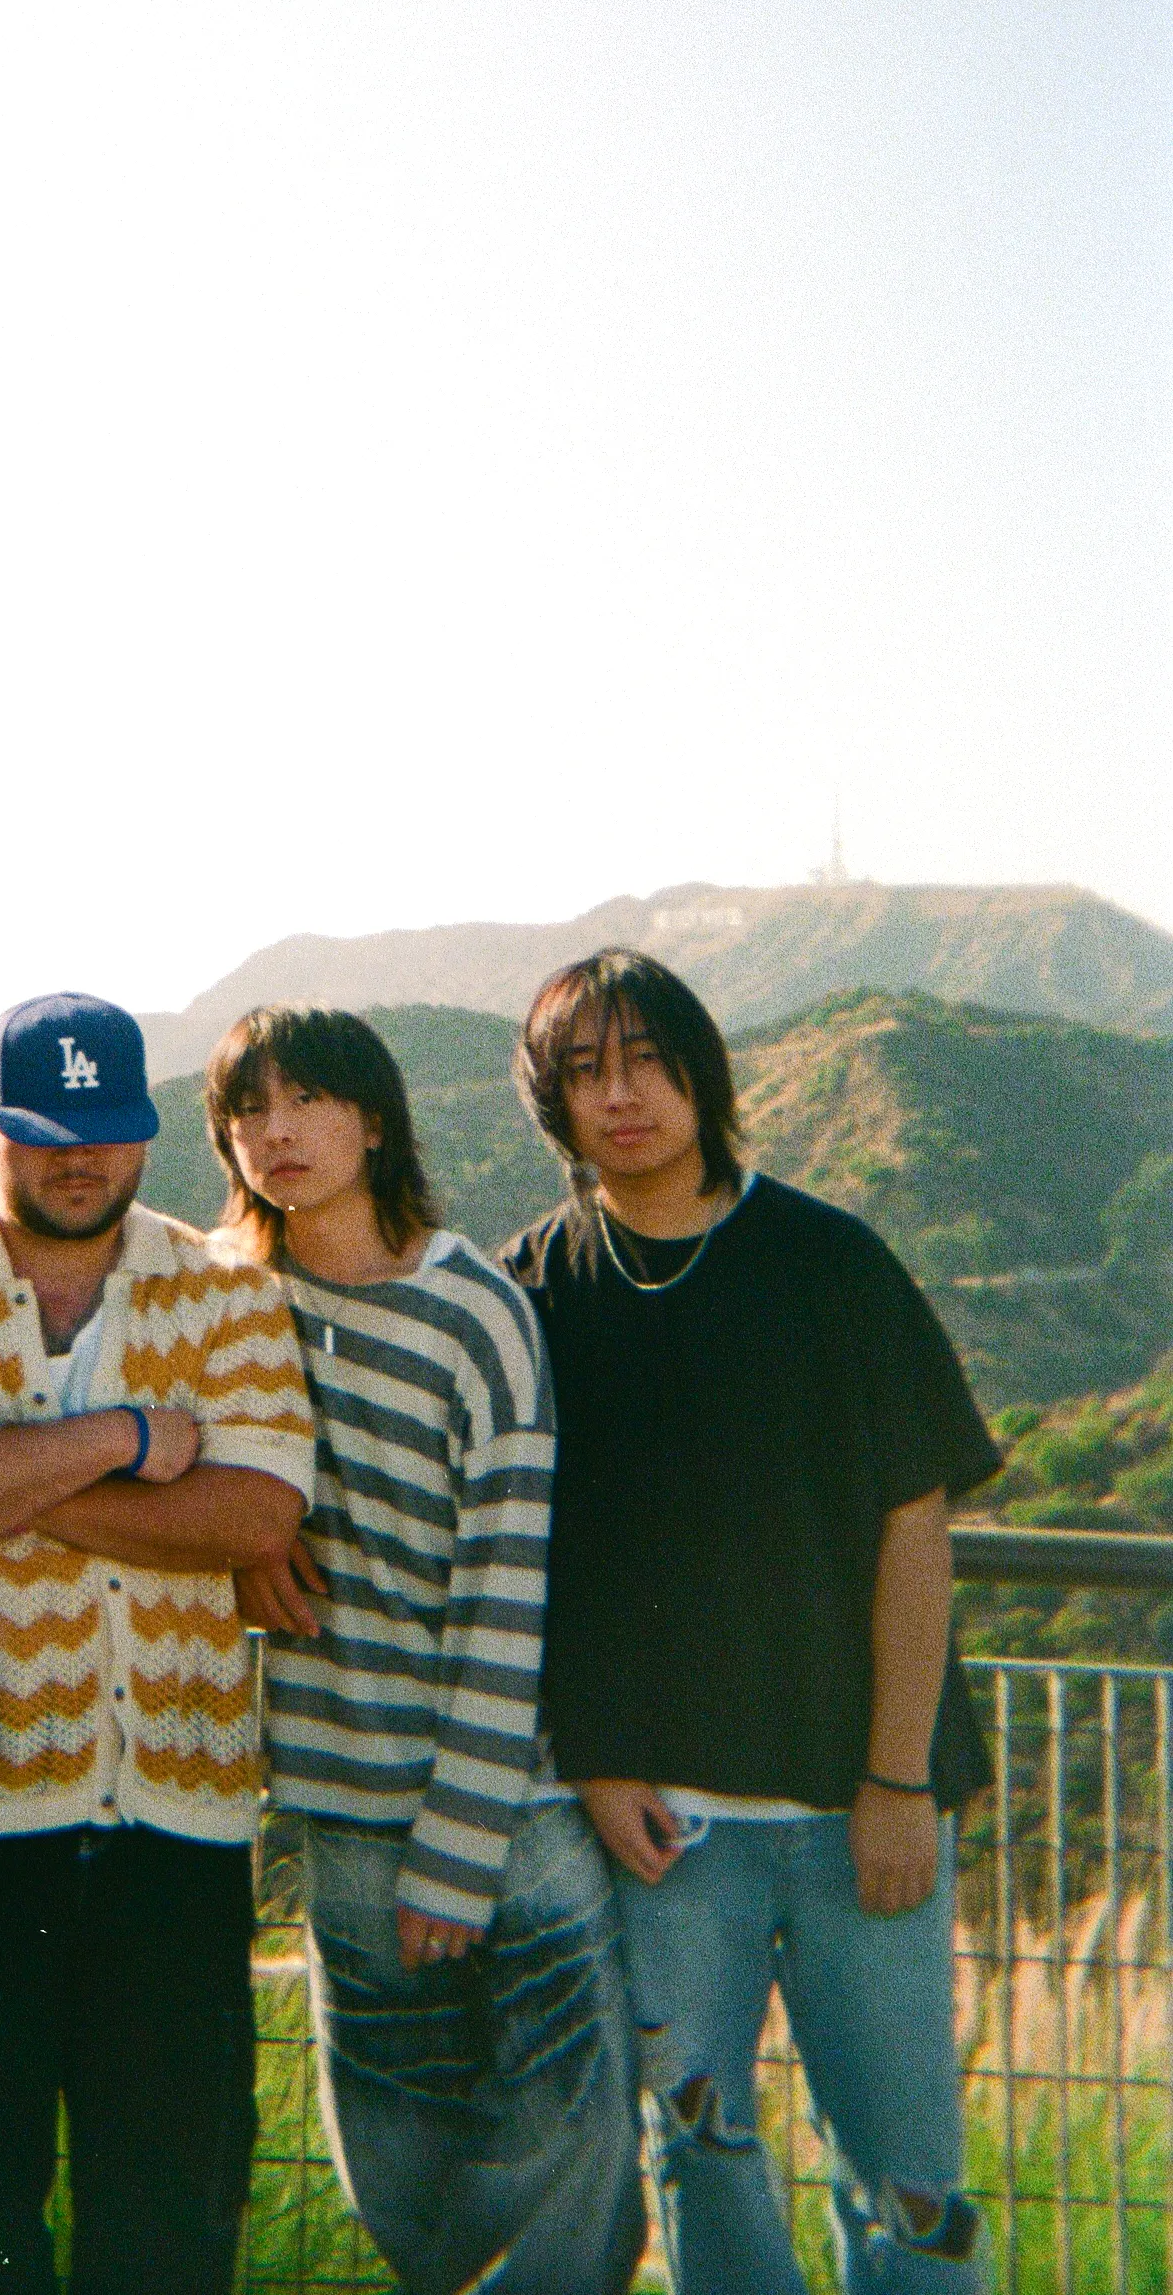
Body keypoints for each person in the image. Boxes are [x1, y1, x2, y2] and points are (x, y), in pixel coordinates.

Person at [504, 948, 1001, 2294]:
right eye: (586, 1068)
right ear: (551, 1100)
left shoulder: (826, 1262)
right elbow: (528, 1554)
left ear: (702, 1074)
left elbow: (915, 1525)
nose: (623, 1094)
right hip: (667, 1830)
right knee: (698, 2153)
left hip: (860, 1811)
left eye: (649, 1057)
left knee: (903, 2172)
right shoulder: (533, 1289)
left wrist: (896, 1777)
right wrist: (596, 1756)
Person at [0, 990, 317, 2295]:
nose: (76, 1158)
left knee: (164, 2234)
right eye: (43, 1132)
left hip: (177, 1829)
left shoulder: (224, 1286)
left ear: (146, 1134)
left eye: (101, 1130)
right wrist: (125, 1444)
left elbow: (257, 1507)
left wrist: (6, 1487)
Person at [219, 1005, 645, 2295]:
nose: (278, 1131)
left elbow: (505, 1589)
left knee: (573, 2192)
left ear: (376, 1118)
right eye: (250, 1107)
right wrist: (242, 1539)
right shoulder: (225, 1305)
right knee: (402, 2187)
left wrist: (457, 1853)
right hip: (340, 1811)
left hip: (506, 1815)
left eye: (311, 1100)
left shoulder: (474, 1312)